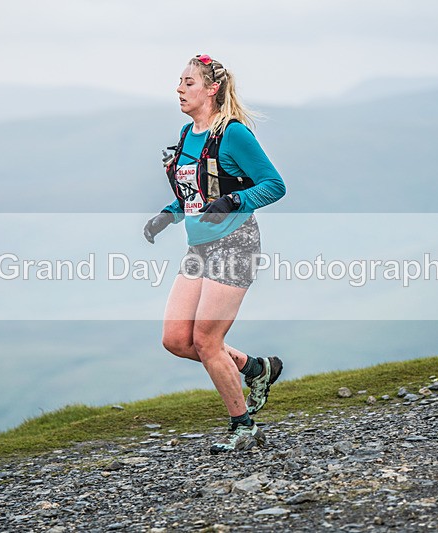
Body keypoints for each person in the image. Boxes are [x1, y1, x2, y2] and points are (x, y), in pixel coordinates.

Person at [143, 54, 286, 454]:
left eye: (188, 82)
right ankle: (256, 369)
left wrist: (234, 201)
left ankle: (244, 427)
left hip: (236, 244)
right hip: (199, 247)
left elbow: (274, 185)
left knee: (207, 340)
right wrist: (167, 215)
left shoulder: (234, 134)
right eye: (179, 82)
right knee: (176, 339)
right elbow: (196, 195)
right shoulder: (188, 134)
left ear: (211, 89)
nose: (179, 89)